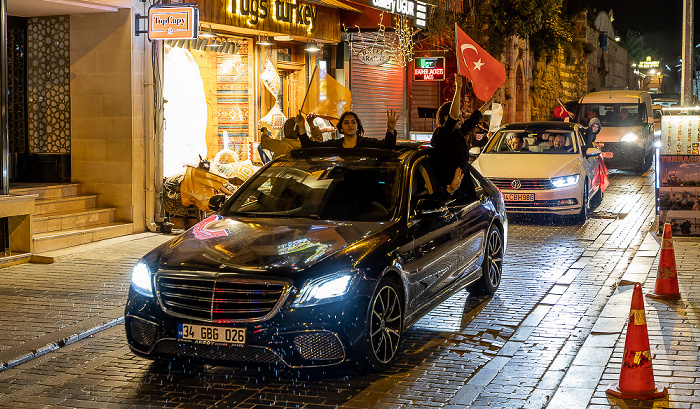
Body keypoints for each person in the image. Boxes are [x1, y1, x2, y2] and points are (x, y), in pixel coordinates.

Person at [430, 74, 493, 199]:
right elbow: (453, 117)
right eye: (458, 117)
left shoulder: (458, 133)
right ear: (445, 118)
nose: (460, 119)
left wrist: (489, 102)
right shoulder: (441, 135)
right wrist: (458, 88)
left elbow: (473, 119)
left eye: (460, 117)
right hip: (449, 191)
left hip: (464, 187)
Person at [297, 110, 398, 149]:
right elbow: (309, 146)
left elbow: (388, 146)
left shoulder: (367, 143)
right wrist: (301, 126)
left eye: (353, 122)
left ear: (358, 127)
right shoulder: (334, 145)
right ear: (341, 128)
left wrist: (390, 129)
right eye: (346, 123)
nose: (350, 125)